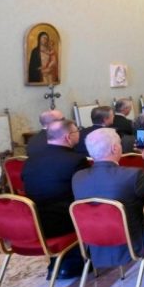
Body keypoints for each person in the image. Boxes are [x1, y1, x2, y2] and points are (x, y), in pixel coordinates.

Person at [72, 128, 144, 268]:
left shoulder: (77, 178)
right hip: (134, 244)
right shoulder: (132, 175)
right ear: (115, 148)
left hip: (95, 246)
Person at [22, 119, 88, 278]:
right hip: (65, 221)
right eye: (77, 131)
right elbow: (85, 192)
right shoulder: (76, 160)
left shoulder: (31, 160)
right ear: (68, 137)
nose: (79, 134)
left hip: (34, 221)